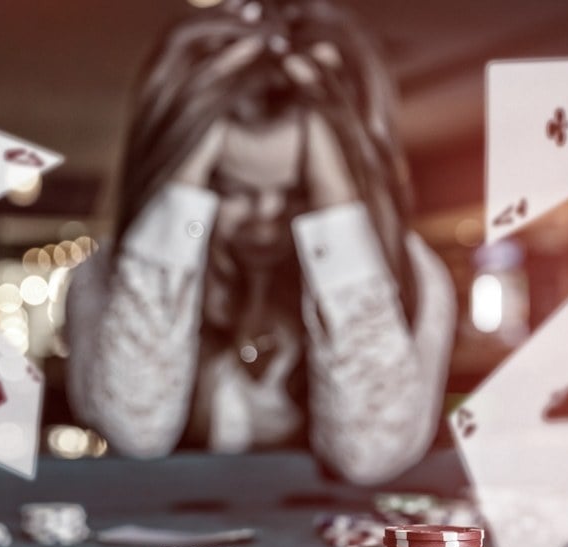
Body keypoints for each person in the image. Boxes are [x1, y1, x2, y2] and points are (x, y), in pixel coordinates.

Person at [65, 0, 456, 485]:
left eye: (299, 191)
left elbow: (372, 455)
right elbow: (134, 432)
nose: (265, 217)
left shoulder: (418, 275)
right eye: (228, 188)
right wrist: (181, 188)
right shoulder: (111, 272)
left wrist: (335, 212)